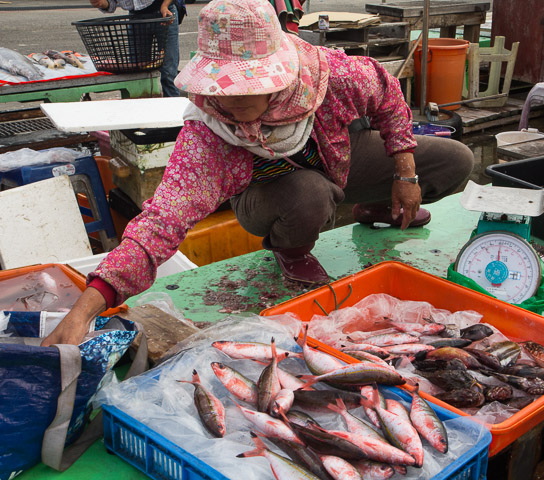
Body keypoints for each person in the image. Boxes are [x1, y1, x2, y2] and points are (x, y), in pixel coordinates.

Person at [43, 0, 473, 346]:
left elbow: (388, 93)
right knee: (309, 194)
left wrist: (404, 171)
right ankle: (292, 248)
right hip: (268, 194)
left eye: (246, 88)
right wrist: (85, 309)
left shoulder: (332, 76)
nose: (229, 102)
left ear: (281, 77)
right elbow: (160, 222)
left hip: (337, 159)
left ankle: (375, 206)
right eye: (223, 89)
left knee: (456, 161)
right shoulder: (208, 134)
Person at [89, 0, 182, 97]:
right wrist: (102, 3)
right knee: (138, 73)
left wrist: (164, 6)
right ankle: (141, 107)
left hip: (163, 13)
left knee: (168, 72)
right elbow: (110, 4)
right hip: (136, 17)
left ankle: (173, 106)